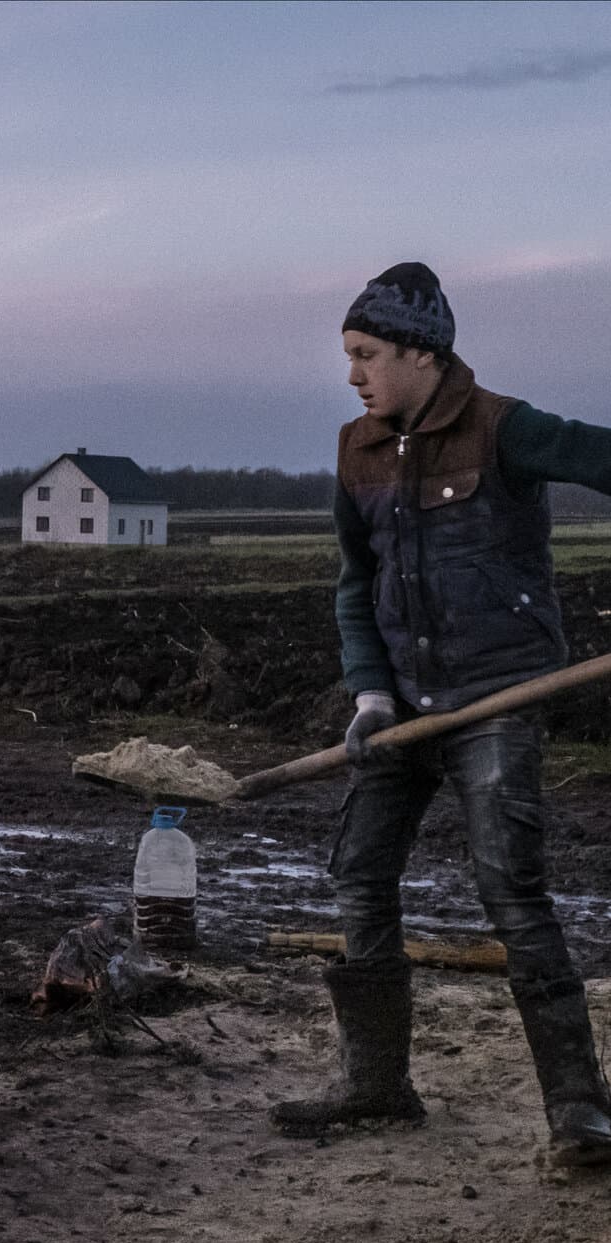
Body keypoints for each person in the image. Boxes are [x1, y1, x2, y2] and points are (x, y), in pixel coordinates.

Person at [270, 262, 611, 1168]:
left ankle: (580, 1112)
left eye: (366, 354)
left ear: (422, 354)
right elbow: (357, 584)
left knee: (511, 889)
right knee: (360, 870)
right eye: (349, 355)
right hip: (400, 705)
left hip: (499, 698)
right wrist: (368, 691)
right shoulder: (357, 450)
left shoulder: (507, 427)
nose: (353, 375)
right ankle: (377, 1085)